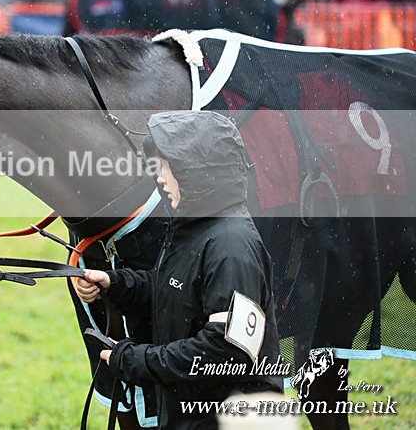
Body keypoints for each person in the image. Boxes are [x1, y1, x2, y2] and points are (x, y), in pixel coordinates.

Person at [75, 110, 283, 429]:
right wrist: (114, 283)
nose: (159, 178)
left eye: (167, 167)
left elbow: (226, 350)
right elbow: (174, 290)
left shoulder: (231, 248)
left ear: (198, 172)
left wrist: (137, 360)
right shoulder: (193, 228)